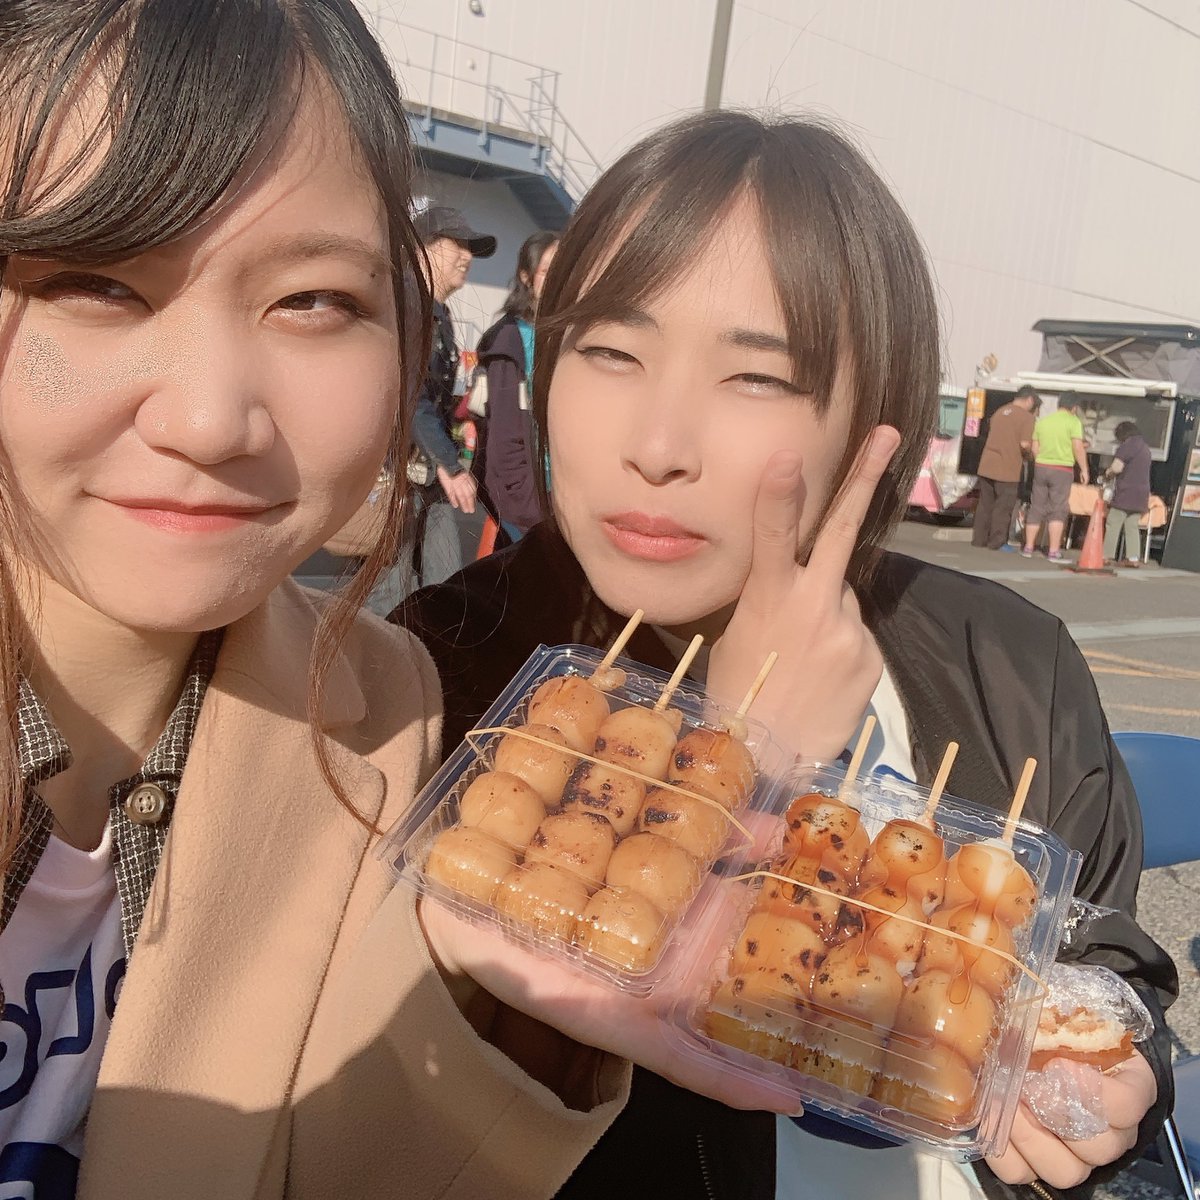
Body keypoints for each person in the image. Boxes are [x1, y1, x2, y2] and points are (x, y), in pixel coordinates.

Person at [1, 5, 802, 1196]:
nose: (212, 418)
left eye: (314, 301)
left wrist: (492, 1023)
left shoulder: (385, 718)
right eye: (98, 282)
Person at [397, 111, 1177, 1200]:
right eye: (610, 352)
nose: (657, 448)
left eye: (757, 378)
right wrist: (744, 754)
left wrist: (1102, 1066)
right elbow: (387, 1112)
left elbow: (1091, 943)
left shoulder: (1008, 662)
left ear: (875, 419)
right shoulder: (436, 677)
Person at [406, 204, 497, 586]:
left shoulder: (437, 312)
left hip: (424, 471)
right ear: (423, 249)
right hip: (404, 473)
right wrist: (450, 464)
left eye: (470, 248)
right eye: (457, 244)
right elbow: (410, 396)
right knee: (392, 587)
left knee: (437, 582)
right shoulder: (409, 306)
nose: (467, 256)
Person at [478, 231, 560, 542]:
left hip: (562, 494)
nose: (558, 279)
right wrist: (529, 507)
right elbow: (505, 437)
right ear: (526, 277)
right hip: (530, 503)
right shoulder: (510, 340)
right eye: (547, 270)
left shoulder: (565, 334)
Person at [971, 386, 1039, 550]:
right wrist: (1031, 456)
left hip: (987, 464)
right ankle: (997, 542)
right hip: (1007, 468)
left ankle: (979, 540)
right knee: (1003, 507)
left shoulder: (999, 412)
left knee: (984, 505)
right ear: (1030, 400)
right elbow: (1024, 444)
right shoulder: (1027, 418)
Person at [1023, 393, 1089, 561]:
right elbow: (1078, 447)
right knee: (1058, 509)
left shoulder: (1043, 422)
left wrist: (1042, 460)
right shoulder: (1073, 422)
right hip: (1062, 469)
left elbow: (1035, 449)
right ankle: (1053, 551)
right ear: (1074, 407)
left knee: (1036, 506)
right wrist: (1084, 469)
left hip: (1041, 467)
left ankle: (1028, 547)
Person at [1103, 421, 1153, 567]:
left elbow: (1117, 468)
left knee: (1113, 522)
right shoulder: (1145, 448)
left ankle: (1106, 555)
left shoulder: (1127, 446)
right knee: (1132, 525)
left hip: (1126, 492)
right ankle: (1133, 558)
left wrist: (1107, 473)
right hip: (1142, 494)